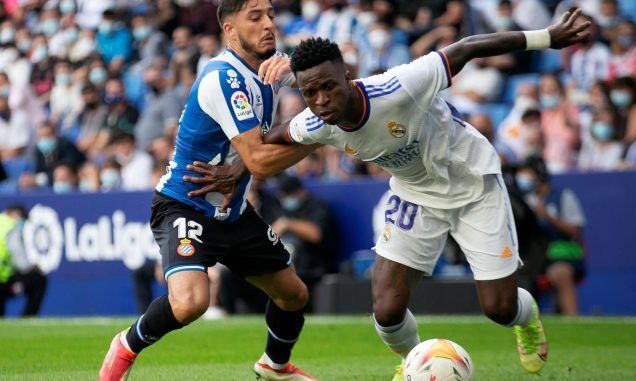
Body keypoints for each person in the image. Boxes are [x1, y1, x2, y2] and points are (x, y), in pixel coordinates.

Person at [258, 11, 591, 379]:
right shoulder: (316, 121)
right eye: (310, 93)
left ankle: (526, 319)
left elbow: (468, 46)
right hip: (415, 194)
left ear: (348, 75)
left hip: (473, 185)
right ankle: (412, 363)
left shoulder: (400, 85)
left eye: (329, 87)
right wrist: (231, 170)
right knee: (386, 311)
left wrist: (546, 37)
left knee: (499, 308)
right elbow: (267, 143)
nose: (321, 100)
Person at [99, 1, 318, 381]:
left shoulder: (273, 66)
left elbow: (337, 84)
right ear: (230, 30)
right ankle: (127, 344)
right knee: (190, 302)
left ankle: (275, 366)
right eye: (255, 17)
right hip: (186, 204)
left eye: (270, 15)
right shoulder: (223, 78)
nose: (269, 24)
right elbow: (263, 161)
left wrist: (299, 70)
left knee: (293, 294)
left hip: (232, 211)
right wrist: (322, 137)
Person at [515, 157, 586, 315]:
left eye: (527, 174)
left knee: (560, 272)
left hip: (560, 253)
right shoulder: (521, 200)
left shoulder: (563, 196)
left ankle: (572, 320)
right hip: (531, 256)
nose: (523, 179)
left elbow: (575, 230)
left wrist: (547, 216)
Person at [0, 204, 47, 317]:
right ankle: (27, 318)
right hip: (2, 281)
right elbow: (19, 259)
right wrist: (32, 267)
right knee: (38, 279)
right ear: (15, 214)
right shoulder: (10, 227)